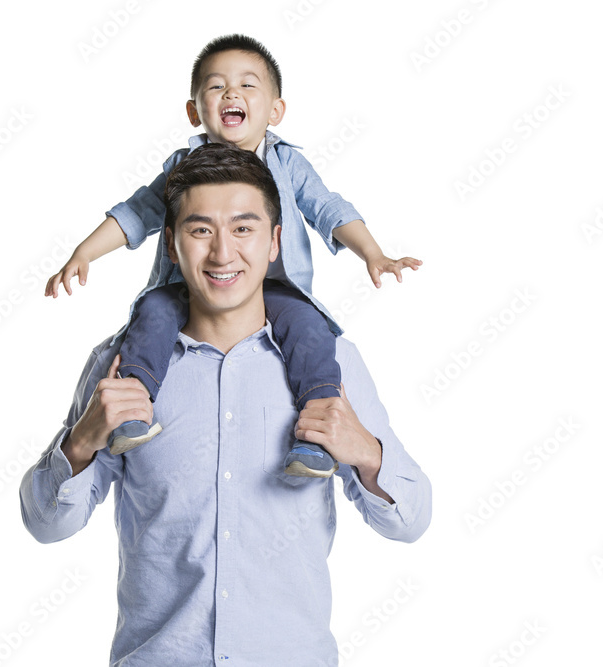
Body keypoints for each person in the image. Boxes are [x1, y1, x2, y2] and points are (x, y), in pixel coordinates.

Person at [21, 144, 432, 665]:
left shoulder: (332, 365)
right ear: (172, 245)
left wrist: (368, 454)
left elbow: (411, 521)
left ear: (275, 242)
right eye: (200, 230)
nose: (222, 254)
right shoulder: (118, 367)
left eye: (243, 229)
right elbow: (46, 525)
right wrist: (80, 443)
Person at [43, 34, 422, 477]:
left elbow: (327, 208)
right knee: (152, 313)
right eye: (216, 86)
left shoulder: (287, 163)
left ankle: (317, 437)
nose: (231, 93)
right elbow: (137, 212)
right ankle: (132, 406)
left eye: (247, 85)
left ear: (275, 111)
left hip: (277, 288)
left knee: (310, 331)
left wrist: (373, 253)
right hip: (187, 287)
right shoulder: (183, 168)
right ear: (194, 111)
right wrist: (84, 252)